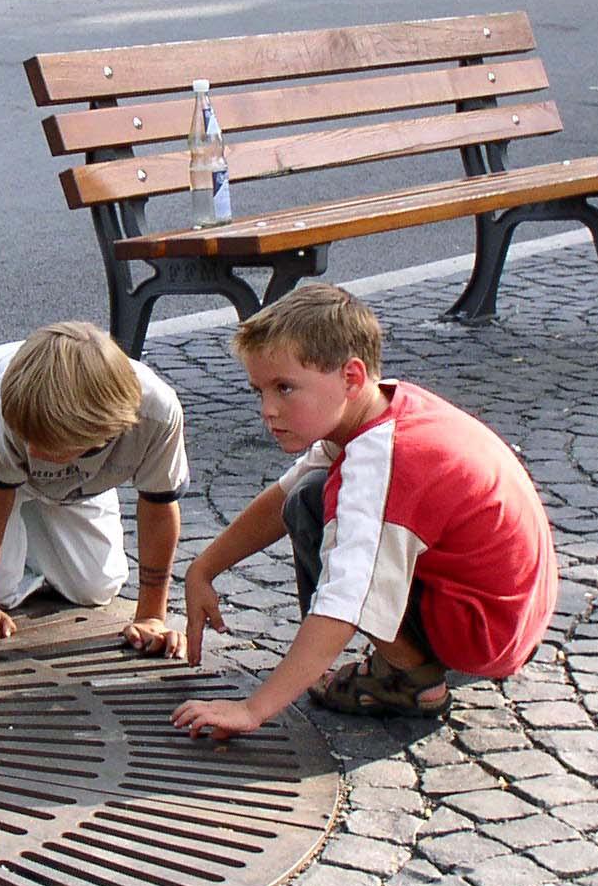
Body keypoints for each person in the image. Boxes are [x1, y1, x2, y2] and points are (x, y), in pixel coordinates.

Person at [169, 286, 556, 742]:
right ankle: (411, 657)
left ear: (351, 377)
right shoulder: (385, 407)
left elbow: (345, 598)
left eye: (285, 388)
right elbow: (285, 494)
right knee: (309, 496)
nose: (268, 410)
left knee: (323, 511)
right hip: (515, 616)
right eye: (260, 390)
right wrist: (204, 569)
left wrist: (254, 709)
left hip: (483, 634)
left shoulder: (382, 461)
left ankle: (409, 681)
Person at [0, 321, 189, 653]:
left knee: (96, 587)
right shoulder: (11, 404)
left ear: (99, 431)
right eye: (30, 442)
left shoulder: (159, 415)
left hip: (78, 473)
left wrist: (151, 615)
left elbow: (159, 508)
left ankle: (31, 514)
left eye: (44, 445)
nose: (32, 451)